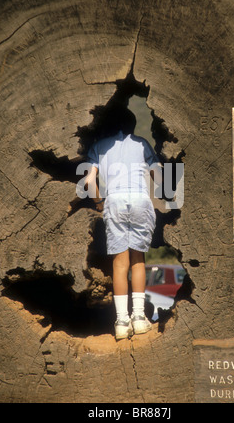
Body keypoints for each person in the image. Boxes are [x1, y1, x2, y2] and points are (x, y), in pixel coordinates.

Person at [85, 106, 162, 340]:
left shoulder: (99, 147)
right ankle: (139, 319)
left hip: (114, 201)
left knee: (120, 264)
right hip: (140, 199)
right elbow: (158, 175)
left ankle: (120, 322)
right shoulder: (142, 144)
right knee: (138, 260)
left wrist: (99, 203)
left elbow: (89, 181)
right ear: (132, 126)